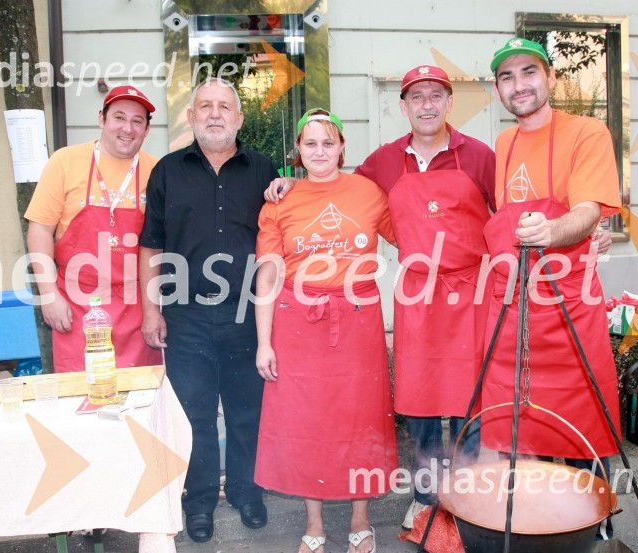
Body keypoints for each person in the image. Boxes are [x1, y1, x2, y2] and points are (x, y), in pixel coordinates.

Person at [482, 37, 622, 538]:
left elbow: (586, 209)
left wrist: (556, 230)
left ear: (551, 78)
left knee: (583, 422)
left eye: (529, 72)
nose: (518, 85)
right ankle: (539, 528)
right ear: (497, 89)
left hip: (570, 304)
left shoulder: (587, 132)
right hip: (519, 307)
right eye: (507, 77)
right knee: (523, 424)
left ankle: (594, 526)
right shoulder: (504, 144)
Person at [355, 66, 496, 528]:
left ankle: (467, 494)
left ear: (449, 102)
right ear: (404, 106)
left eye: (436, 95)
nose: (427, 105)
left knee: (470, 400)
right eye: (417, 97)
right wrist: (291, 187)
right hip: (417, 293)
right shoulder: (383, 160)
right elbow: (345, 196)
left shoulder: (479, 156)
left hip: (472, 292)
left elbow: (510, 213)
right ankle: (425, 495)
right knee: (419, 400)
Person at [138, 78, 277, 544]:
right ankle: (198, 502)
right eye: (205, 106)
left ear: (239, 118)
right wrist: (151, 310)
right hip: (186, 315)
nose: (215, 114)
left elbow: (284, 228)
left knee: (246, 412)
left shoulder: (262, 170)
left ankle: (245, 491)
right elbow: (151, 245)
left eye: (224, 107)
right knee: (194, 415)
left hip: (245, 315)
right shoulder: (167, 171)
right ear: (191, 117)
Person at [254, 109, 398, 553]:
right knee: (305, 422)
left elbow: (412, 234)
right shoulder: (280, 202)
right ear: (298, 150)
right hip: (298, 322)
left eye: (328, 143)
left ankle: (361, 519)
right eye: (310, 143)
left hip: (358, 319)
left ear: (341, 147)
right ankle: (313, 525)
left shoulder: (369, 193)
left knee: (362, 419)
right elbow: (268, 274)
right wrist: (263, 342)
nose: (320, 151)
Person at [25, 85, 163, 372]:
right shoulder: (64, 162)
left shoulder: (158, 172)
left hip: (136, 307)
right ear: (102, 119)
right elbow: (40, 231)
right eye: (119, 117)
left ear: (147, 129)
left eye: (137, 121)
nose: (127, 128)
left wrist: (154, 311)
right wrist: (49, 295)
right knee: (80, 391)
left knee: (139, 392)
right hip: (76, 306)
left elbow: (160, 246)